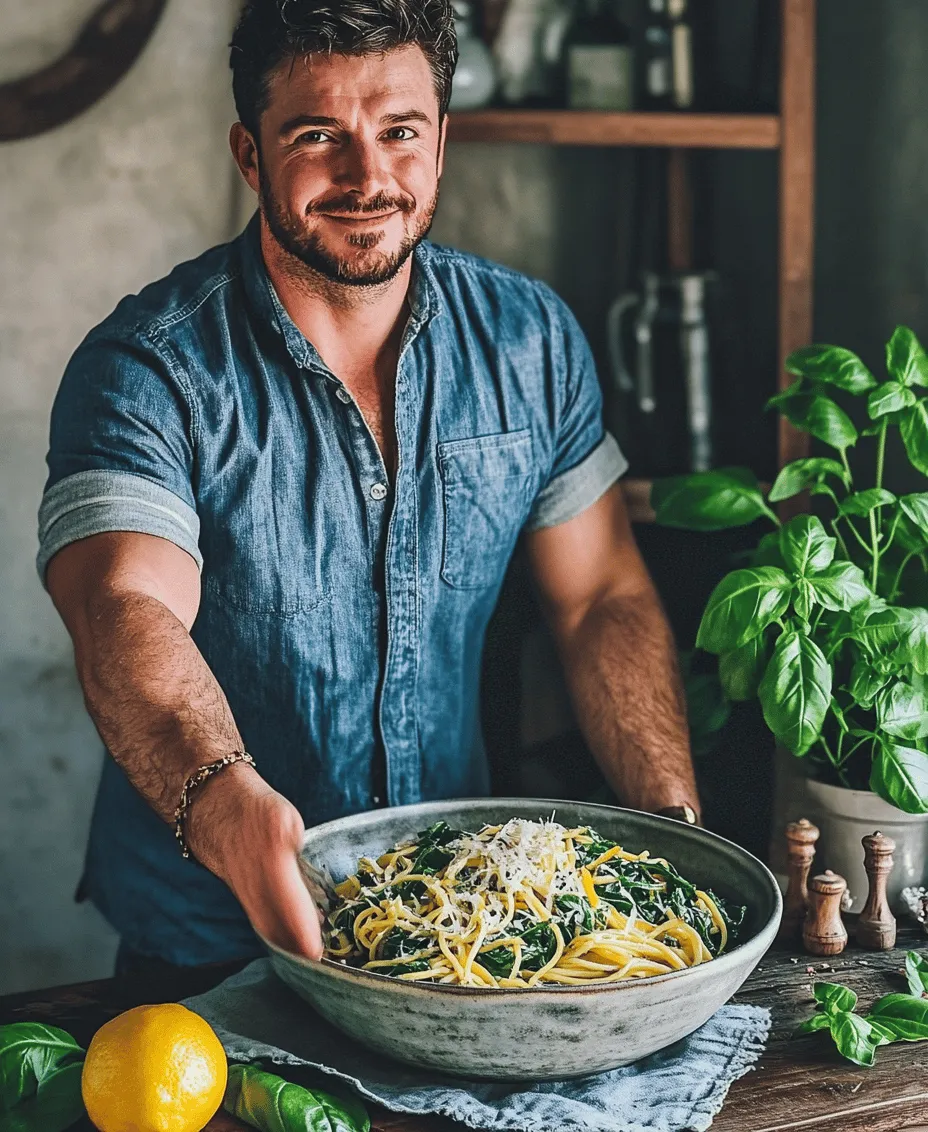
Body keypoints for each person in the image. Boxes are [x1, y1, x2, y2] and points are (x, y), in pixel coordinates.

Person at [38, 0, 700, 975]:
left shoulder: (530, 343)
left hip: (466, 932)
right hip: (217, 940)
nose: (367, 177)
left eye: (398, 132)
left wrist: (668, 819)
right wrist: (225, 796)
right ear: (250, 154)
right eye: (318, 137)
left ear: (441, 140)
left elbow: (598, 592)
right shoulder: (146, 370)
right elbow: (125, 605)